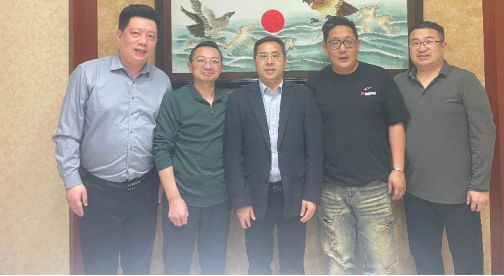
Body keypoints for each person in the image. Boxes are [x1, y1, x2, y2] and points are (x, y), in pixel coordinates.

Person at [52, 5, 172, 275]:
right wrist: (72, 181)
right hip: (97, 191)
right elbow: (67, 132)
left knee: (138, 266)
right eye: (136, 33)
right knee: (99, 267)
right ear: (120, 35)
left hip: (144, 190)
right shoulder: (87, 74)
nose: (143, 41)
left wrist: (163, 181)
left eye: (151, 36)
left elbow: (164, 137)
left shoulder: (161, 82)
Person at [305, 16, 409, 275]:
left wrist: (398, 169)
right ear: (325, 48)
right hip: (330, 190)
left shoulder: (379, 77)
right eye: (335, 43)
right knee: (340, 265)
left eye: (348, 42)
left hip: (374, 187)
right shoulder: (314, 85)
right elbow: (307, 136)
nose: (342, 49)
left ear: (358, 45)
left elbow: (396, 125)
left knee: (381, 266)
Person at [394, 21, 496, 275]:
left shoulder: (464, 81)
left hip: (461, 193)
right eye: (415, 43)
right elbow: (391, 130)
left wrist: (480, 185)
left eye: (429, 41)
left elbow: (484, 132)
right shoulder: (398, 84)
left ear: (444, 45)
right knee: (425, 261)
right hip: (415, 191)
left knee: (468, 262)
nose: (422, 48)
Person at [224, 36, 324, 275]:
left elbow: (315, 150)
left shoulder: (303, 97)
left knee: (293, 265)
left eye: (275, 55)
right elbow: (233, 155)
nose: (269, 61)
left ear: (285, 61)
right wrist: (240, 202)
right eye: (263, 56)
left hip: (295, 195)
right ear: (255, 62)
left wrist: (311, 195)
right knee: (258, 265)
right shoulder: (238, 99)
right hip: (255, 198)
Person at [153, 41, 229, 275]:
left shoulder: (229, 102)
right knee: (176, 267)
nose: (208, 66)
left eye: (214, 61)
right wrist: (174, 199)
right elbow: (161, 149)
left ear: (221, 67)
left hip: (220, 201)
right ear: (190, 66)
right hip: (182, 199)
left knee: (215, 267)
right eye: (201, 61)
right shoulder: (174, 100)